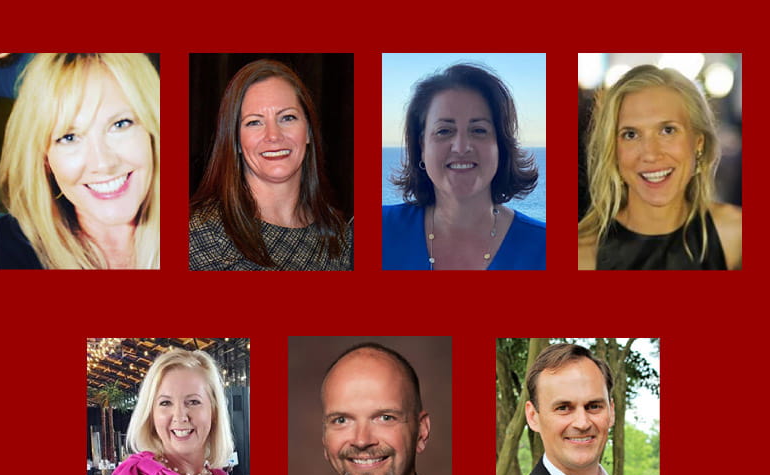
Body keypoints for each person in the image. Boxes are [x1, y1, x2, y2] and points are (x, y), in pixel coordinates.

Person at [0, 53, 160, 269]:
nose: (103, 163)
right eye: (69, 137)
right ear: (45, 160)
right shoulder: (5, 250)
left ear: (152, 129)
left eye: (120, 124)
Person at [189, 58, 352, 271]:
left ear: (309, 132)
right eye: (254, 122)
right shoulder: (202, 235)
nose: (273, 136)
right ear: (236, 141)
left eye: (287, 118)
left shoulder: (341, 238)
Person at [495, 343, 659, 475]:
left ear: (611, 412)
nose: (582, 423)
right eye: (563, 408)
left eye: (593, 406)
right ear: (533, 417)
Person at [288, 343, 451, 475]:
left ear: (421, 431)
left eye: (385, 418)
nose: (362, 440)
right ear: (324, 438)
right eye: (341, 420)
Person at [578, 64, 742, 270]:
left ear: (698, 143)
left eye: (667, 130)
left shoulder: (737, 236)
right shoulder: (581, 256)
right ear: (613, 151)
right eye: (631, 134)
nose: (650, 154)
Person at [383, 63, 545, 270]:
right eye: (444, 131)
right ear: (422, 146)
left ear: (501, 146)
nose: (461, 147)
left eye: (478, 130)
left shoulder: (543, 247)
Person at [93, 349, 249, 475]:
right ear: (152, 414)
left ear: (213, 410)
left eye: (193, 402)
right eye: (165, 403)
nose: (180, 415)